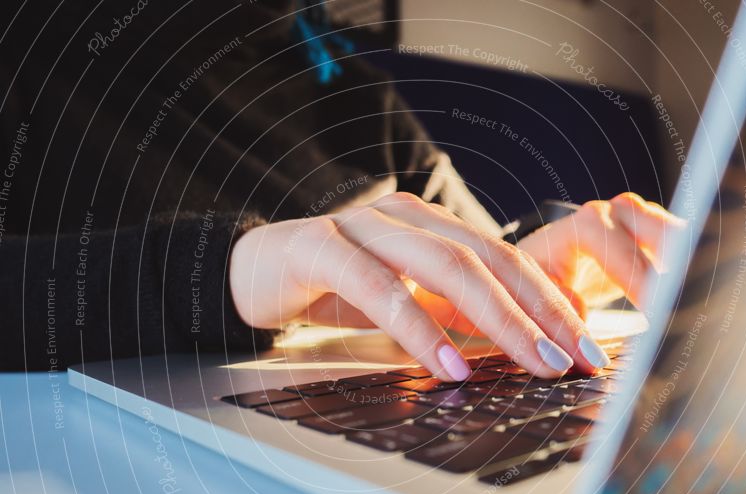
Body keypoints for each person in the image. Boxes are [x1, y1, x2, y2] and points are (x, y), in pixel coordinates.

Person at [0, 1, 683, 379]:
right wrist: (224, 273)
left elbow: (457, 252)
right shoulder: (31, 45)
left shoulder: (354, 89)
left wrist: (527, 263)